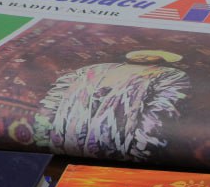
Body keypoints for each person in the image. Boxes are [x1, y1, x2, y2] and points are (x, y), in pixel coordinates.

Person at [34, 49, 190, 162]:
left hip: (116, 150)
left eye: (152, 54)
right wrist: (42, 137)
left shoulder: (169, 75)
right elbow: (52, 101)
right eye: (140, 52)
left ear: (162, 59)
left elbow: (159, 114)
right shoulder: (91, 70)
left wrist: (140, 151)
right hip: (62, 143)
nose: (143, 55)